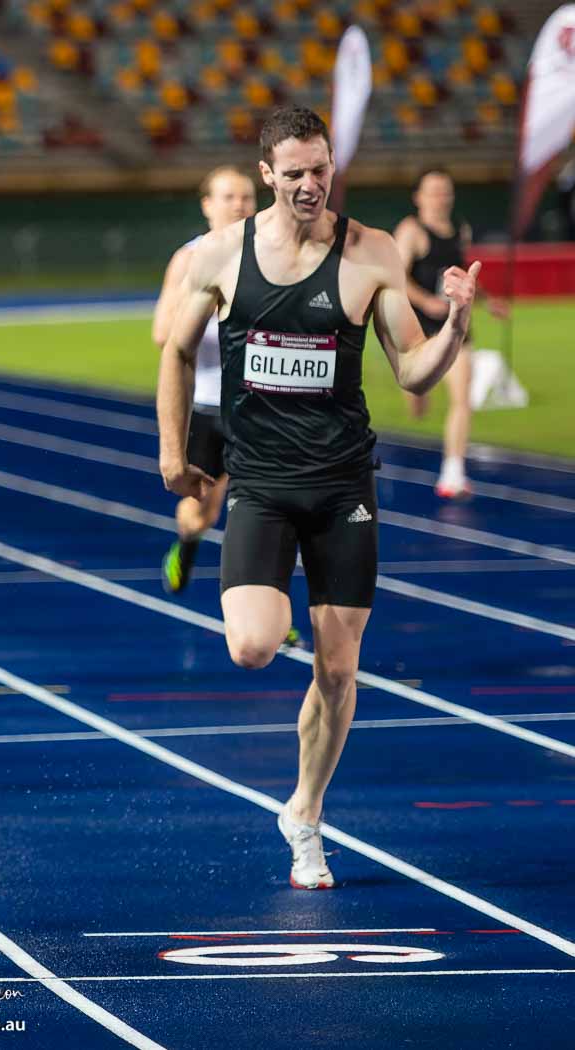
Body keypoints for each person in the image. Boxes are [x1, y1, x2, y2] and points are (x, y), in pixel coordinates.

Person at [156, 105, 480, 890]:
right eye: (294, 171)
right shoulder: (221, 255)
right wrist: (171, 455)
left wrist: (457, 328)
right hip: (262, 485)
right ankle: (277, 619)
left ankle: (305, 814)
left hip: (343, 488)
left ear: (334, 166)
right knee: (253, 645)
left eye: (321, 168)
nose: (310, 183)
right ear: (268, 174)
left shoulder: (370, 252)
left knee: (339, 670)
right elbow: (174, 350)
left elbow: (409, 369)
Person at [155, 166, 256, 596]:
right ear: (207, 205)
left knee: (262, 512)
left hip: (258, 406)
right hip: (208, 406)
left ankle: (265, 608)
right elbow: (163, 334)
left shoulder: (270, 256)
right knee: (203, 514)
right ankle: (187, 544)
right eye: (229, 197)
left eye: (247, 198)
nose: (239, 206)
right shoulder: (189, 259)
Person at [394, 169, 509, 499]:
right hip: (417, 328)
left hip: (455, 325)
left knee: (462, 396)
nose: (440, 197)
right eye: (433, 191)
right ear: (418, 197)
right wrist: (426, 302)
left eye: (445, 191)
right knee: (418, 401)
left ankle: (453, 471)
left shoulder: (461, 229)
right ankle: (416, 393)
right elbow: (397, 278)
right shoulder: (411, 231)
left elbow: (463, 274)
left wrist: (488, 302)